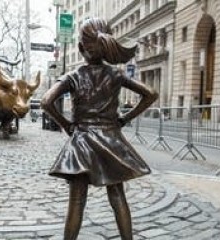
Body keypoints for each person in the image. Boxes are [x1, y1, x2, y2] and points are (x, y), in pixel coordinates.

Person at [41, 18, 158, 239]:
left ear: (80, 48)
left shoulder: (73, 76)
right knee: (117, 196)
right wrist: (124, 119)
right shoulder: (116, 74)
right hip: (111, 140)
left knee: (76, 202)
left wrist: (66, 125)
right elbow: (150, 94)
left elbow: (47, 102)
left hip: (81, 141)